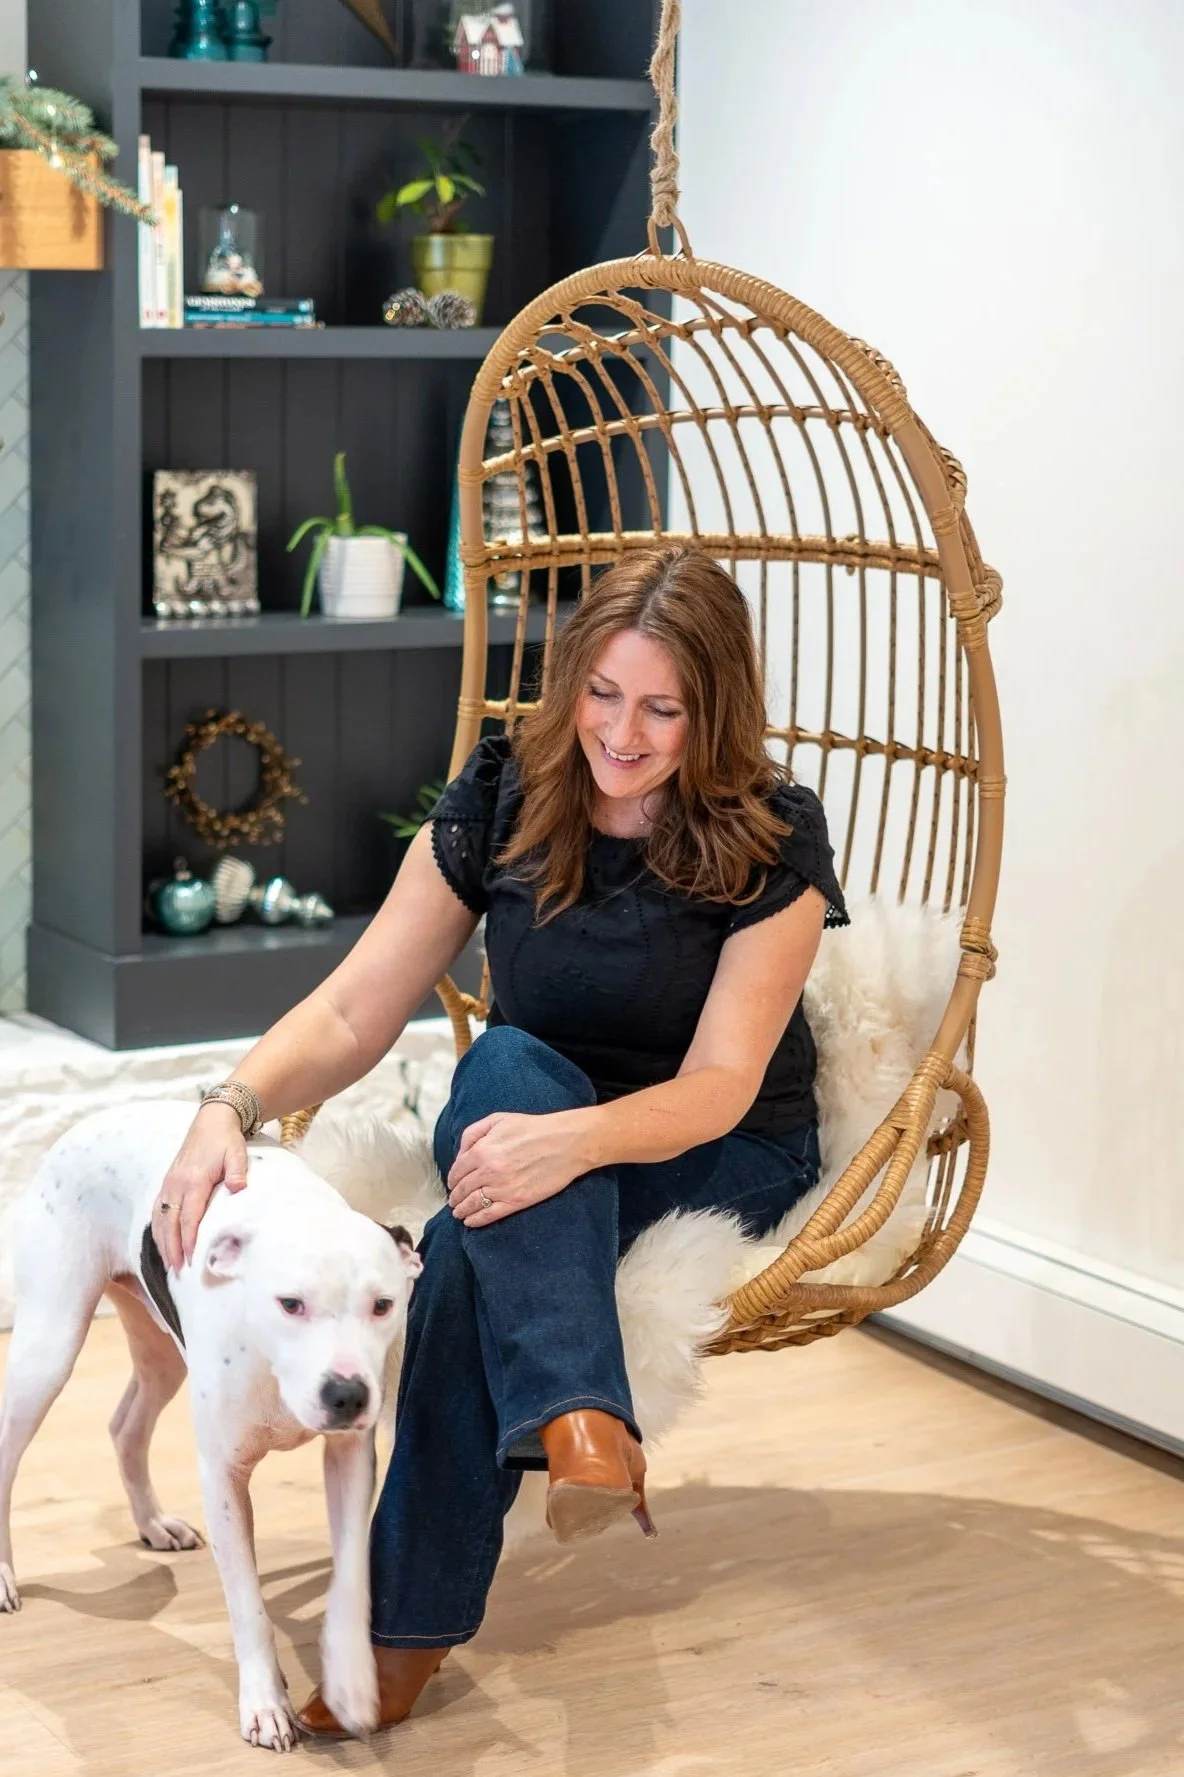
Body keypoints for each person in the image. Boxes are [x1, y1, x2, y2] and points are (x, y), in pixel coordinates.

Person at [152, 543, 849, 1735]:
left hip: (709, 1142)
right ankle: (582, 1421)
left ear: (713, 709)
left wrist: (573, 1144)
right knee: (502, 1066)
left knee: (468, 1248)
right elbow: (352, 1004)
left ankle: (403, 1631)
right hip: (536, 1106)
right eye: (602, 693)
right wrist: (231, 1105)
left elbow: (724, 1083)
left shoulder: (769, 837)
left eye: (661, 708)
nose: (621, 733)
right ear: (572, 679)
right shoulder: (506, 792)